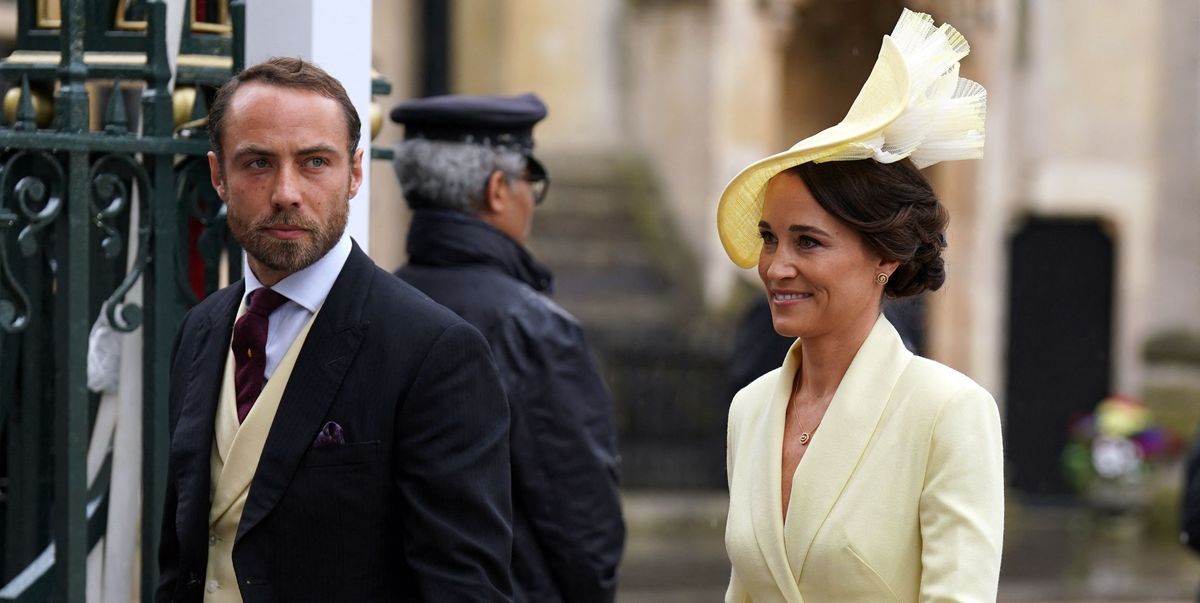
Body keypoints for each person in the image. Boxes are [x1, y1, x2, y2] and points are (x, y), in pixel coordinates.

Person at [157, 57, 514, 602]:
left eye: (314, 162)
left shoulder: (433, 351)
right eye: (257, 163)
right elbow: (183, 555)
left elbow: (462, 588)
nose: (286, 192)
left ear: (355, 174)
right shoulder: (201, 329)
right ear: (217, 176)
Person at [718, 9, 1004, 601]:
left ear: (885, 257)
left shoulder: (948, 411)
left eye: (809, 242)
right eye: (771, 238)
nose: (776, 266)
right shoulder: (749, 410)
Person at [390, 93, 626, 603]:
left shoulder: (368, 309)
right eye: (530, 182)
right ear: (498, 190)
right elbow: (585, 529)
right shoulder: (531, 328)